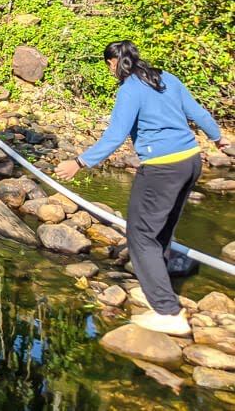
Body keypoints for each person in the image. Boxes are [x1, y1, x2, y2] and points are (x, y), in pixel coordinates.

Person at [54, 41, 230, 337]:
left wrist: (79, 162)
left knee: (140, 236)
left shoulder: (130, 89)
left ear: (113, 63)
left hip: (161, 168)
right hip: (190, 161)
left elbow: (115, 136)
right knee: (163, 229)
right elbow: (198, 113)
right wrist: (219, 139)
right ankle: (161, 284)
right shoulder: (166, 78)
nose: (109, 70)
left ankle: (168, 311)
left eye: (108, 65)